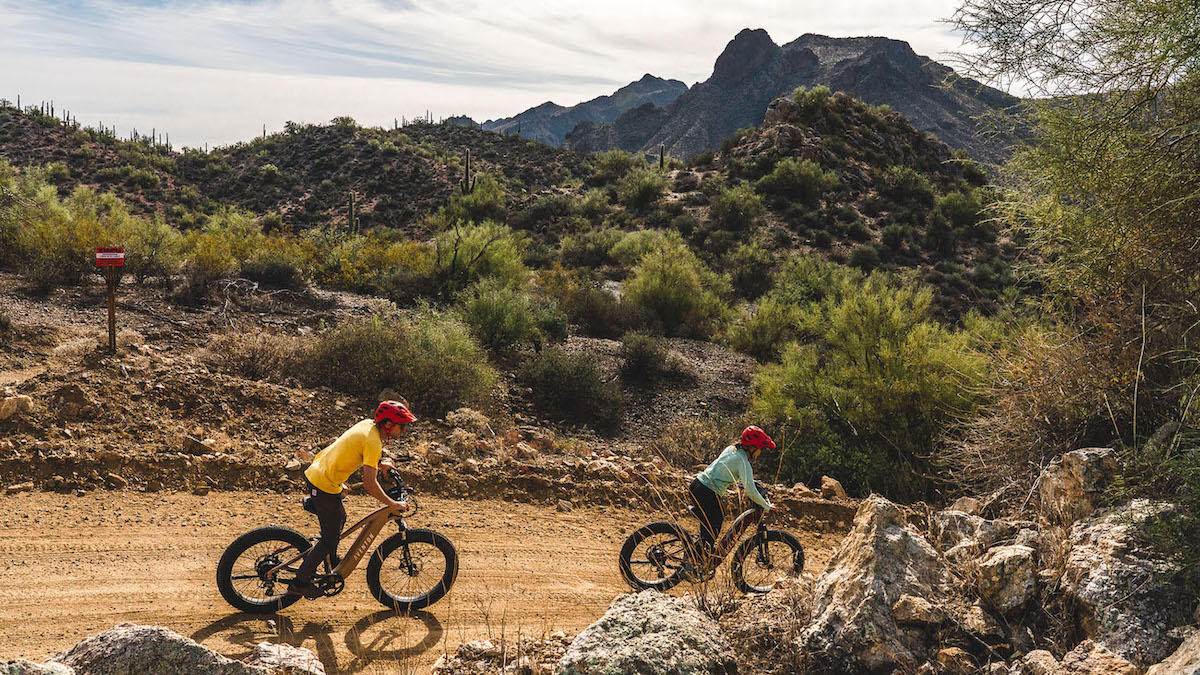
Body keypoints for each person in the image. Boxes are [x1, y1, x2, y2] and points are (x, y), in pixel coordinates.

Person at [288, 400, 416, 599]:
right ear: (389, 424)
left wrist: (380, 462)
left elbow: (355, 447)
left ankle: (329, 556)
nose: (405, 430)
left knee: (340, 519)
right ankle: (300, 582)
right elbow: (370, 485)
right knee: (330, 539)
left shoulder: (367, 426)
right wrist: (392, 504)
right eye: (402, 425)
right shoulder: (373, 441)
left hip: (319, 473)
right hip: (324, 484)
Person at [687, 426, 776, 571]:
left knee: (710, 527)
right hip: (706, 491)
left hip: (698, 485)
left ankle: (698, 555)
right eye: (761, 448)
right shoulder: (742, 461)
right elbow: (751, 491)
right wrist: (766, 506)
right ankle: (691, 566)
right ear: (753, 448)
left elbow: (743, 480)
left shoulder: (732, 450)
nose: (761, 452)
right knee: (715, 524)